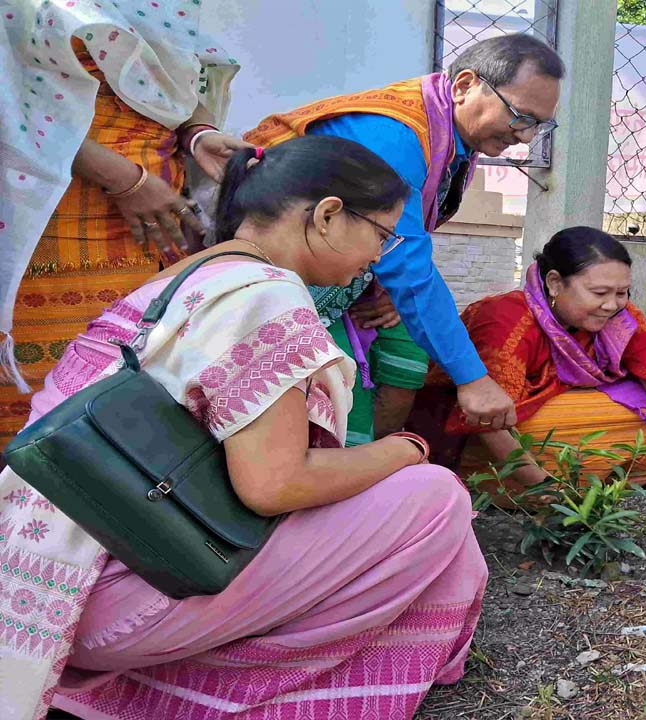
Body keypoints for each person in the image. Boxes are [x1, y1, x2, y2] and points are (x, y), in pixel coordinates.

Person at [0, 136, 486, 720]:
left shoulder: (186, 275)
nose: (379, 258)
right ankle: (250, 685)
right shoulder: (266, 296)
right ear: (329, 215)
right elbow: (274, 485)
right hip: (116, 604)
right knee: (435, 497)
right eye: (382, 235)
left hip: (36, 590)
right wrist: (407, 449)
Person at [244, 34, 563, 446]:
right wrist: (474, 379)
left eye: (539, 124)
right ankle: (347, 465)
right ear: (465, 85)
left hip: (342, 270)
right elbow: (407, 266)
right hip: (281, 279)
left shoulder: (449, 136)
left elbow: (402, 256)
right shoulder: (397, 135)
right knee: (338, 386)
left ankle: (368, 465)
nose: (526, 137)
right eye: (520, 116)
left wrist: (388, 282)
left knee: (408, 347)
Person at [0, 2, 252, 449]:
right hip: (51, 225)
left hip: (152, 231)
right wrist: (125, 181)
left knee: (126, 397)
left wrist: (198, 133)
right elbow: (10, 110)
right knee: (40, 414)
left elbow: (164, 84)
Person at [409, 227, 646, 501]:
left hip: (544, 440)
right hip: (474, 444)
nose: (611, 305)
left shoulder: (621, 317)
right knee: (540, 428)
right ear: (555, 283)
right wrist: (546, 491)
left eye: (622, 293)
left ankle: (592, 482)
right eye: (599, 293)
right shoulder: (505, 319)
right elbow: (486, 419)